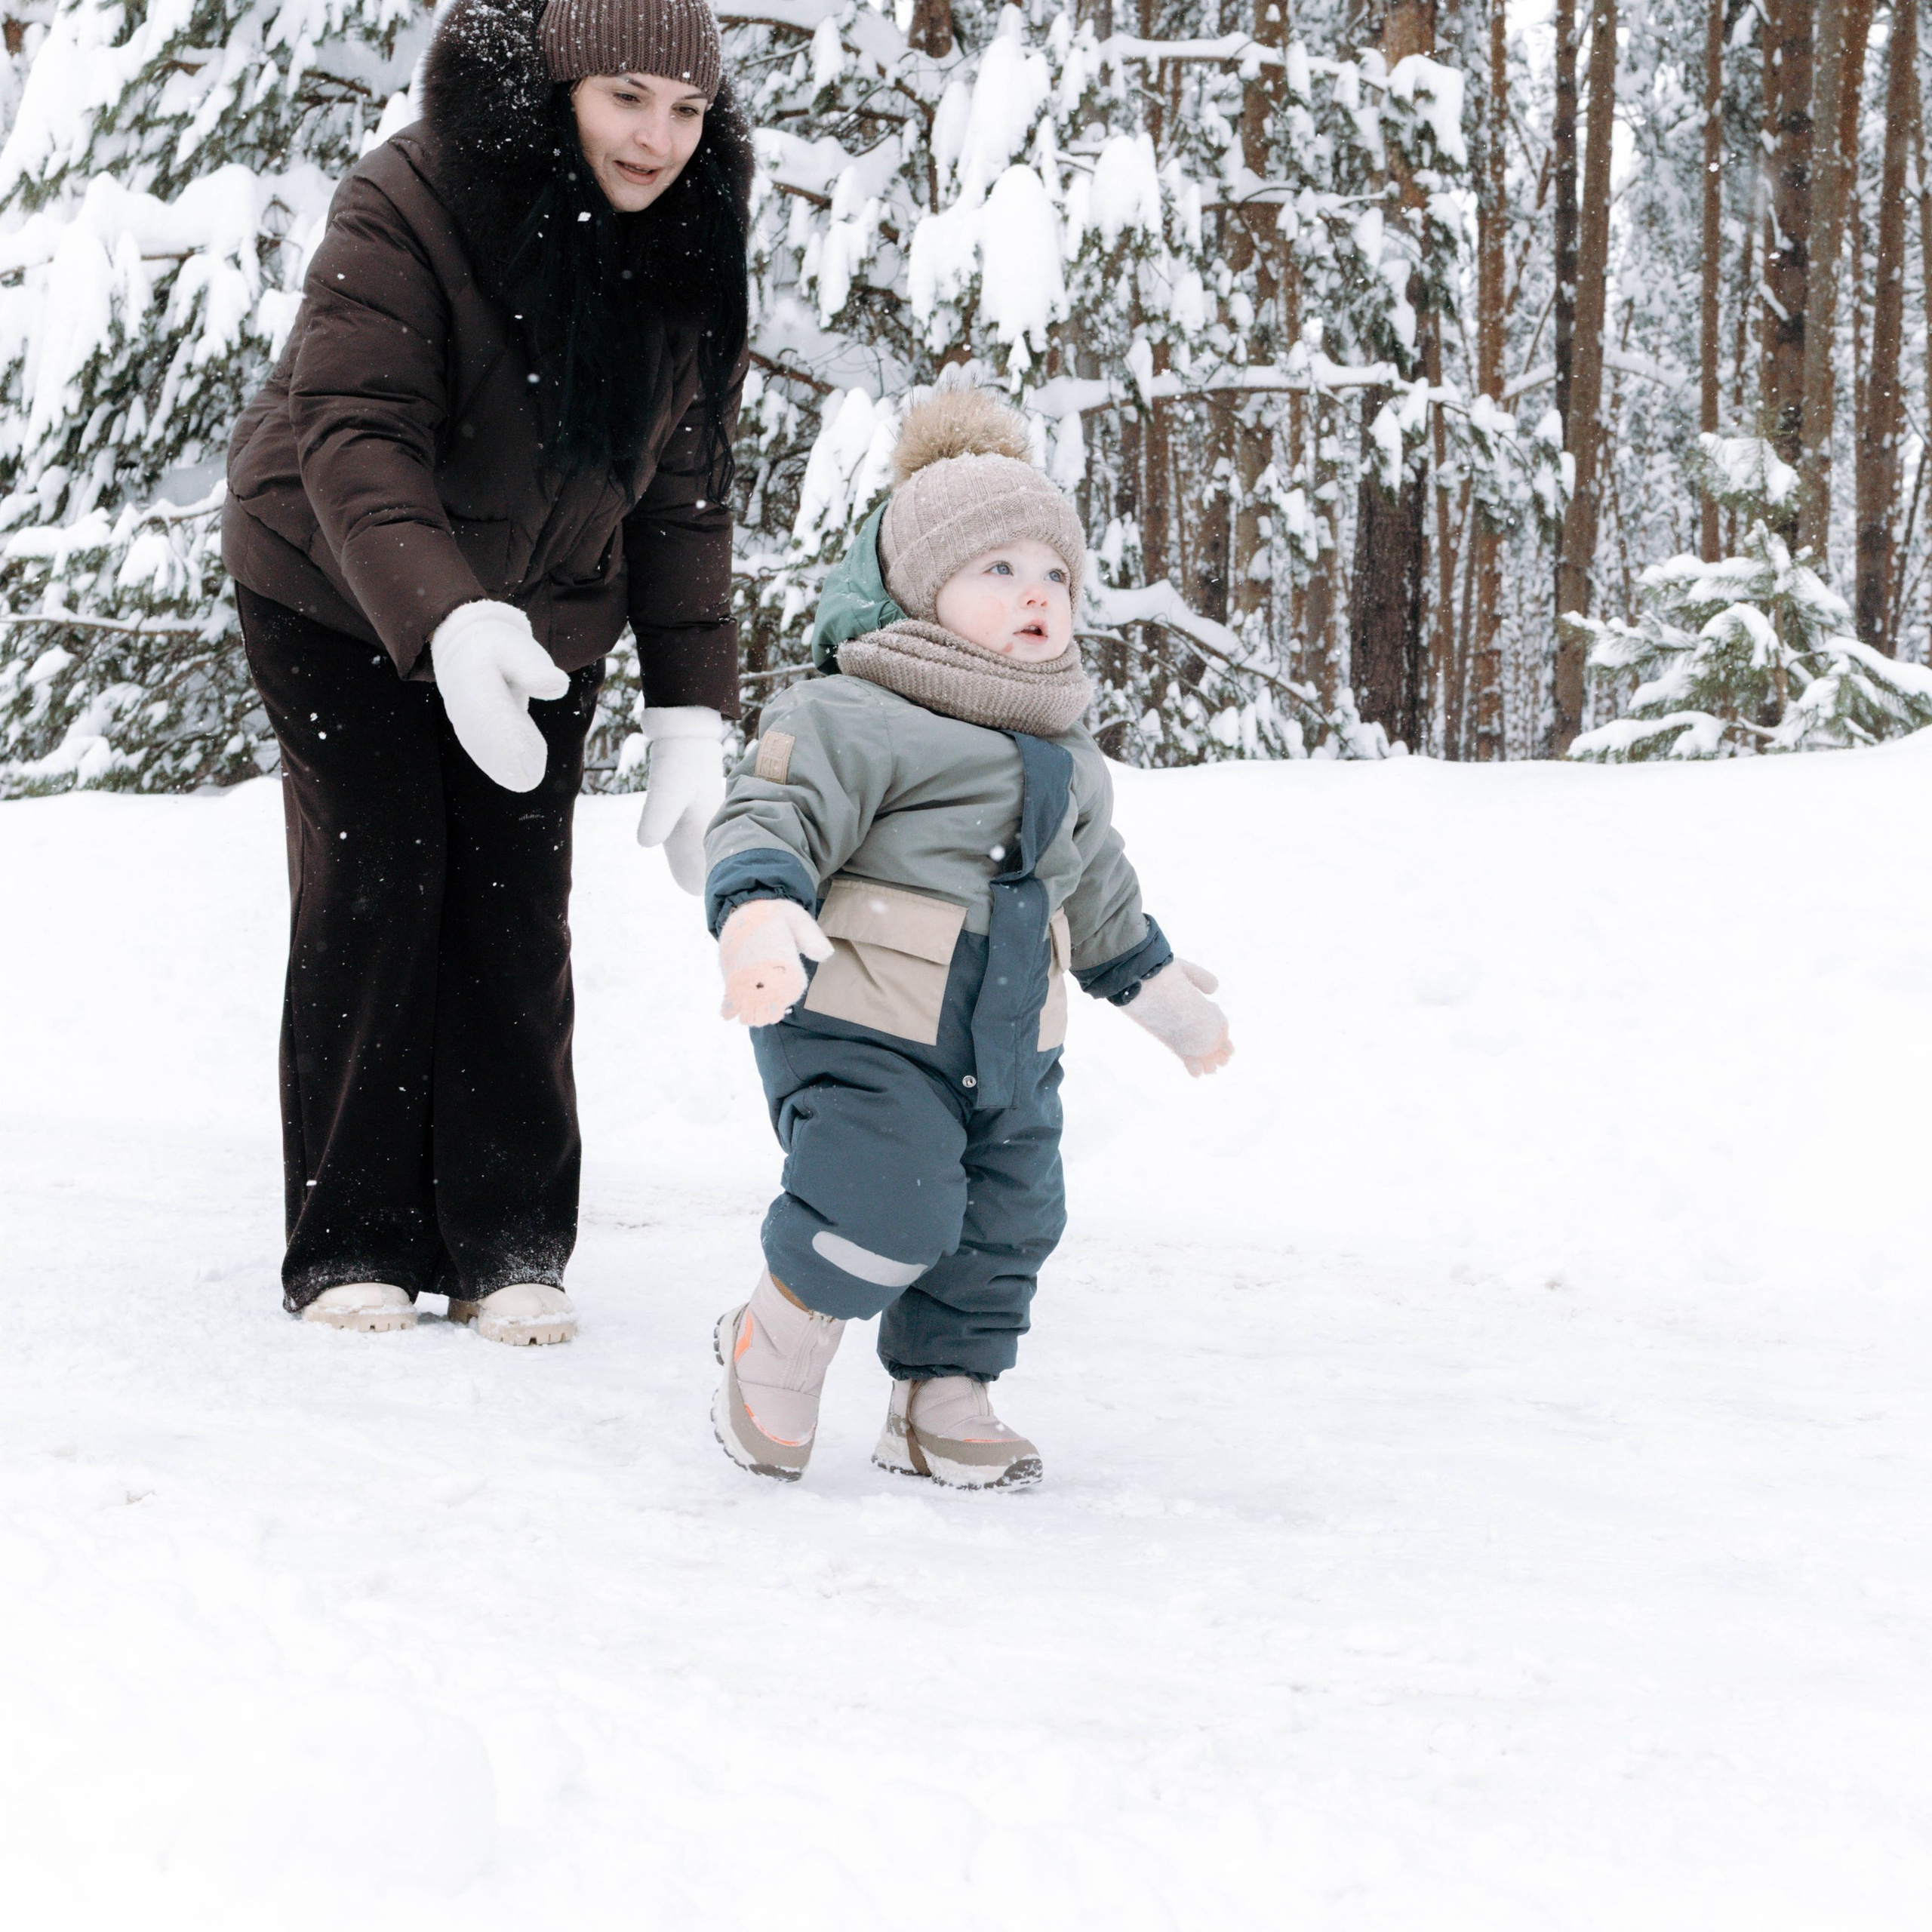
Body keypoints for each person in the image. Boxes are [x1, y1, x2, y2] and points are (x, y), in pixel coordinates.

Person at [221, 0, 749, 1340]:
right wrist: (447, 621)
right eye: (627, 97)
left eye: (687, 110)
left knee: (515, 902)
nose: (657, 139)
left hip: (544, 605)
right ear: (562, 84)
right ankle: (352, 1239)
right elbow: (356, 430)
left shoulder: (687, 238)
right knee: (385, 871)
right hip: (334, 585)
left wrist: (692, 715)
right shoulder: (409, 199)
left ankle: (507, 1243)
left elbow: (682, 492)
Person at [701, 389, 1235, 1487]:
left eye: (1055, 575)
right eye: (998, 568)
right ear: (919, 587)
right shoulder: (854, 713)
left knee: (1008, 1219)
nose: (1036, 593)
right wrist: (759, 913)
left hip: (1014, 1041)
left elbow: (1101, 895)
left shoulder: (1068, 755)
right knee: (883, 1197)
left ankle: (942, 1394)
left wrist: (1164, 997)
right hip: (863, 1022)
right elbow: (771, 815)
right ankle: (778, 1338)